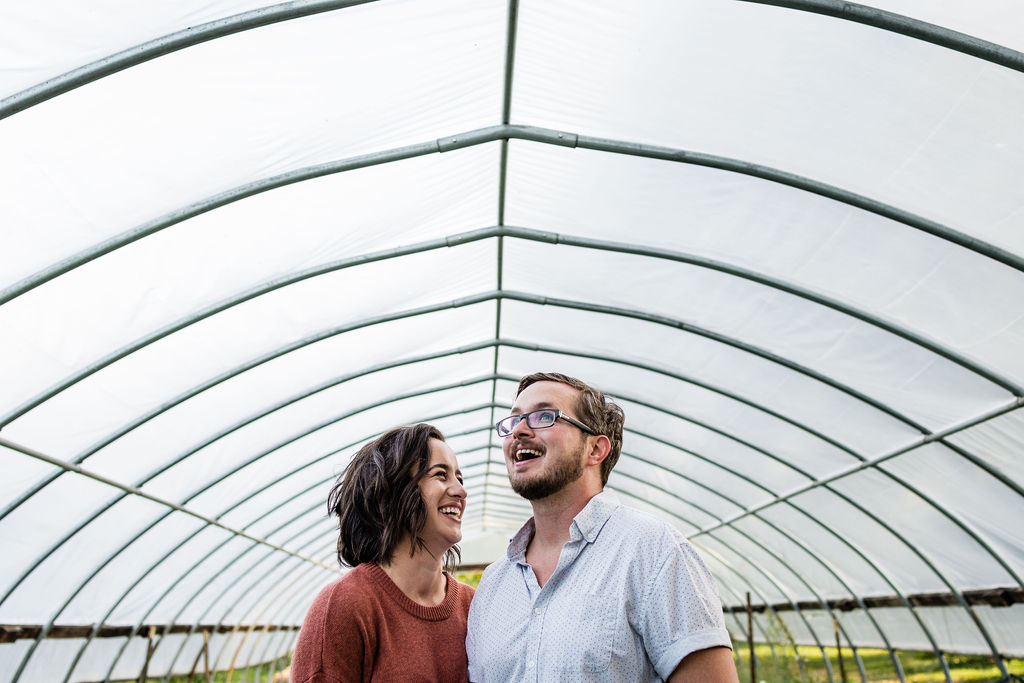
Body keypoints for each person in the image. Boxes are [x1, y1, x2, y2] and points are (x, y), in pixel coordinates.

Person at [467, 372, 738, 682]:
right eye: (514, 421)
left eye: (544, 416)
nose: (520, 431)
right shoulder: (492, 585)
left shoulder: (654, 551)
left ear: (595, 450)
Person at [291, 423, 473, 683]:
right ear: (393, 491)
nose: (460, 491)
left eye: (460, 478)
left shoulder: (474, 607)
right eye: (440, 475)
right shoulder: (346, 606)